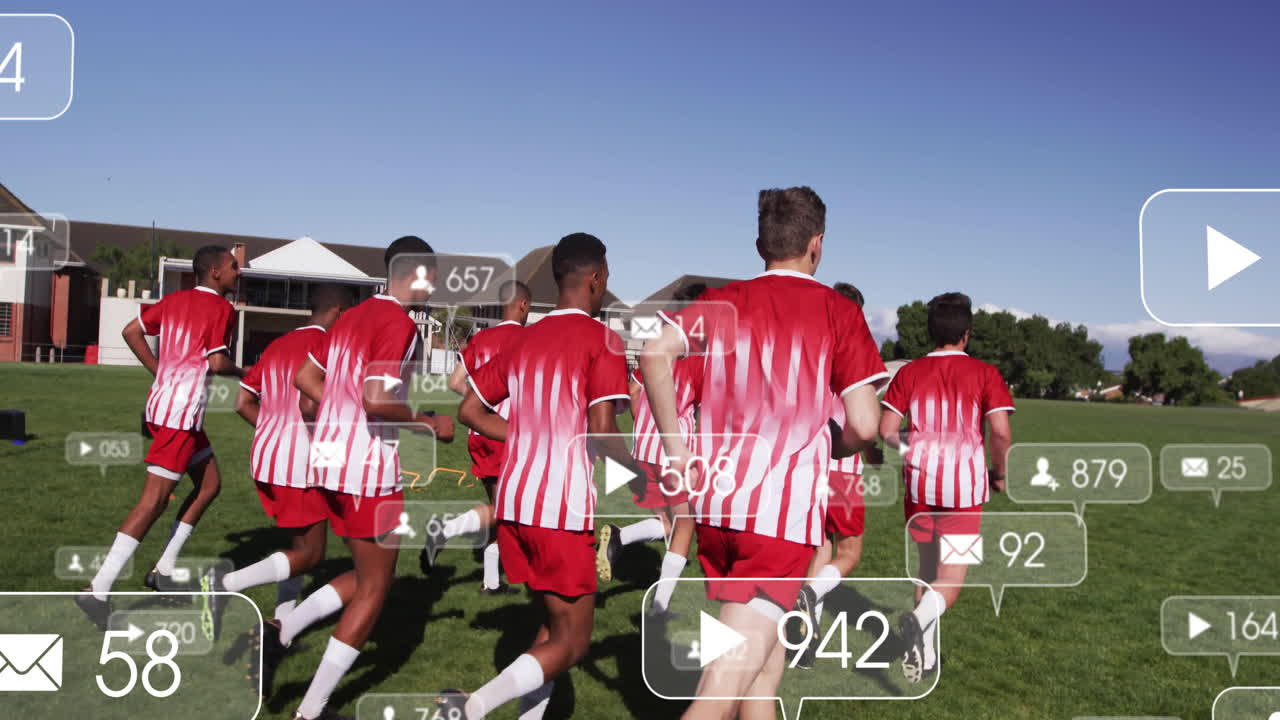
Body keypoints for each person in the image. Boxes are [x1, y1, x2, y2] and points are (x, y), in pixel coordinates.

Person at [641, 187, 887, 720]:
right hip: (778, 521)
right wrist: (835, 441)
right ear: (817, 245)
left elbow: (654, 352)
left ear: (760, 244)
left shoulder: (720, 305)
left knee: (761, 677)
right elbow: (866, 424)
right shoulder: (838, 312)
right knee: (716, 696)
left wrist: (678, 449)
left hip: (718, 511)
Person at [437, 233, 633, 720]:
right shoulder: (601, 339)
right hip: (560, 508)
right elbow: (603, 434)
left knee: (549, 627)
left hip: (516, 502)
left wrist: (526, 436)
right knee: (574, 643)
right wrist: (655, 479)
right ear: (597, 279)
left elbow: (469, 410)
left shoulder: (525, 339)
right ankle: (469, 707)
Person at [279, 236, 456, 720]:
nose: (435, 284)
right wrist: (429, 423)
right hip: (366, 468)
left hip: (329, 460)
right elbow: (377, 399)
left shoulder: (351, 316)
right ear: (415, 273)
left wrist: (337, 413)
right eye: (432, 274)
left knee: (365, 573)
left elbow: (305, 380)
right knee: (377, 587)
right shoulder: (396, 323)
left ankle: (284, 629)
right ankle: (311, 709)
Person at [76, 245, 243, 628]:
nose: (239, 272)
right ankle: (97, 590)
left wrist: (159, 370)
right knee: (153, 502)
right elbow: (218, 362)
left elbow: (131, 330)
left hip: (165, 409)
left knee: (209, 485)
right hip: (179, 417)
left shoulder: (175, 300)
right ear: (215, 272)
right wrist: (248, 372)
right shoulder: (222, 309)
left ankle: (163, 568)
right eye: (234, 267)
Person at [879, 291, 1014, 683]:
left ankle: (926, 658)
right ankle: (917, 622)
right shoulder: (985, 373)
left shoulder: (910, 372)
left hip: (919, 487)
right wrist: (1000, 472)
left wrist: (915, 450)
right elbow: (1001, 432)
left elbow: (887, 432)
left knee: (925, 572)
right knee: (950, 579)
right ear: (966, 334)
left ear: (930, 332)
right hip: (964, 491)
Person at [227, 284, 352, 694]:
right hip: (303, 463)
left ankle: (280, 631)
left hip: (268, 457)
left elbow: (243, 401)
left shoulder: (280, 344)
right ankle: (227, 585)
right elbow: (312, 407)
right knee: (312, 554)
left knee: (298, 548)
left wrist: (270, 430)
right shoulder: (330, 345)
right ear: (337, 311)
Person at [788, 281, 886, 669]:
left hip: (806, 469)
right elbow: (862, 419)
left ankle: (805, 636)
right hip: (842, 471)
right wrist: (871, 447)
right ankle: (809, 598)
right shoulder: (855, 350)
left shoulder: (808, 348)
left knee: (820, 548)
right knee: (849, 552)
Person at [596, 282, 706, 618]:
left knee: (668, 523)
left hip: (644, 447)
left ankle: (619, 536)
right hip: (672, 452)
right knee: (686, 527)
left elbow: (632, 391)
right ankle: (659, 607)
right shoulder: (698, 358)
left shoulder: (659, 347)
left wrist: (644, 423)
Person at [420, 280, 532, 595]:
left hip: (478, 431)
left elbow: (456, 382)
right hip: (506, 432)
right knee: (507, 508)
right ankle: (445, 530)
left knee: (500, 505)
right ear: (523, 305)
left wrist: (480, 401)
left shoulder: (482, 338)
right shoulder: (528, 339)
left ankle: (491, 582)